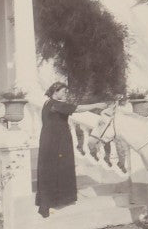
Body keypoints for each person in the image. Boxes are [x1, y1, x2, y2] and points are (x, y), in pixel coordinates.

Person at [35, 81, 106, 218]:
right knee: (53, 169)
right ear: (55, 91)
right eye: (63, 91)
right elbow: (78, 109)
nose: (65, 94)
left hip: (51, 140)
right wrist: (96, 105)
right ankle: (49, 203)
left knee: (54, 169)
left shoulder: (48, 103)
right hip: (56, 142)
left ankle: (54, 200)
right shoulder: (55, 104)